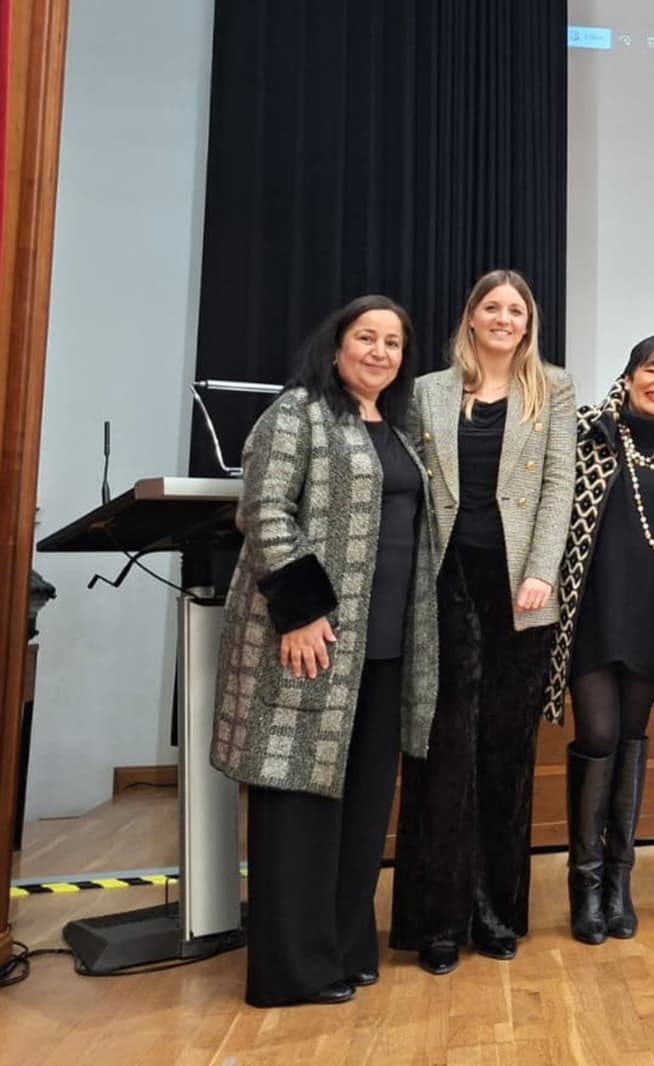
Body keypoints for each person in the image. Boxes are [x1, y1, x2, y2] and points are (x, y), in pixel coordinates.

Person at [211, 295, 436, 1008]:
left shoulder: (398, 427)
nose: (380, 352)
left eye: (393, 343)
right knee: (300, 803)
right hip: (314, 643)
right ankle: (292, 971)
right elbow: (263, 510)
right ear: (336, 346)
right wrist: (301, 611)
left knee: (364, 809)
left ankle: (345, 945)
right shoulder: (297, 413)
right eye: (366, 337)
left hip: (385, 647)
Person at [391, 269, 576, 974]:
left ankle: (497, 914)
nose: (503, 318)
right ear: (470, 317)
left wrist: (541, 571)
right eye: (491, 307)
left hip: (521, 594)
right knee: (442, 755)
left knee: (506, 753)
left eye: (515, 310)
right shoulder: (428, 392)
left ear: (529, 323)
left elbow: (558, 484)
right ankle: (436, 922)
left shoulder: (553, 389)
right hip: (444, 586)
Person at [542, 334, 654, 944]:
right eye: (652, 369)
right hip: (592, 612)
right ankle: (584, 882)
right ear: (628, 374)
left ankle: (618, 883)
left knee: (632, 737)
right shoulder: (586, 430)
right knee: (598, 733)